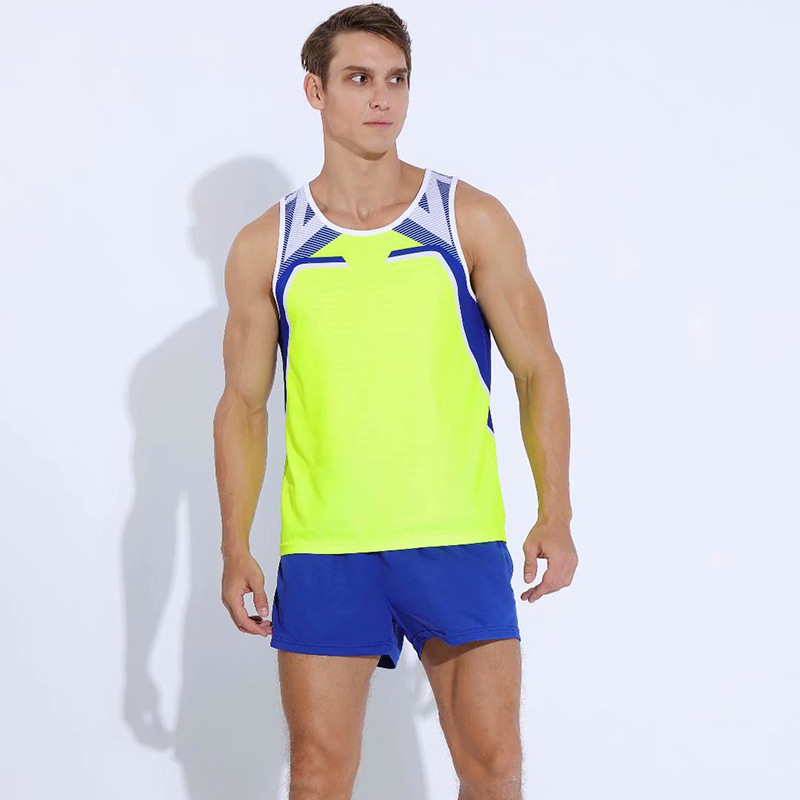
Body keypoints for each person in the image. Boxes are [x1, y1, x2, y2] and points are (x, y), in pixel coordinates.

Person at [214, 4, 578, 798]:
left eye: (396, 79)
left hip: (454, 535)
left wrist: (555, 511)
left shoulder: (466, 219)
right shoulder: (267, 245)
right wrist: (234, 545)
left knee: (492, 767)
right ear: (315, 91)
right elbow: (242, 405)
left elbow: (538, 370)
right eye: (358, 79)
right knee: (317, 773)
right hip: (327, 546)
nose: (382, 97)